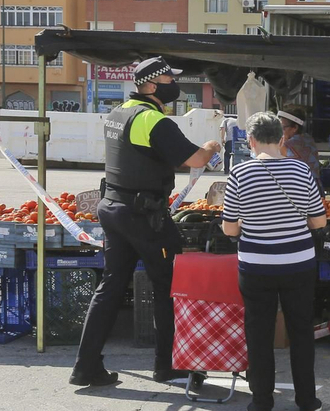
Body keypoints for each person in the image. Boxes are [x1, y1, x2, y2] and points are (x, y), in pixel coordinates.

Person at [69, 57, 222, 388]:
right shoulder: (154, 121)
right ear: (152, 86)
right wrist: (211, 146)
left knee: (110, 287)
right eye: (169, 79)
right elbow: (195, 159)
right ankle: (167, 366)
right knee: (168, 287)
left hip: (113, 208)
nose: (174, 85)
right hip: (145, 217)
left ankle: (85, 366)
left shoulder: (118, 113)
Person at [219, 112, 327, 411]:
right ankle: (307, 403)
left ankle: (262, 405)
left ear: (250, 141)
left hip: (256, 266)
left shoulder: (239, 174)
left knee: (259, 332)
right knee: (301, 331)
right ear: (282, 139)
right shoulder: (301, 170)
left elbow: (229, 229)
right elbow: (318, 221)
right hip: (298, 264)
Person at [274, 105, 323, 184]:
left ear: (295, 128)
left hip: (298, 187)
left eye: (283, 128)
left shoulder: (287, 144)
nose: (280, 131)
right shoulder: (308, 139)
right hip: (315, 187)